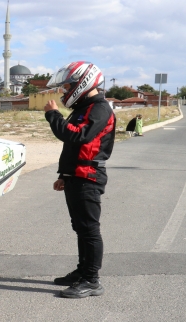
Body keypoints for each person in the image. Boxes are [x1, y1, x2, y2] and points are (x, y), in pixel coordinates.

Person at [43, 61, 115, 298]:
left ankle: (92, 280)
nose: (65, 91)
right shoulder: (84, 107)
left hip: (89, 177)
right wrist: (64, 175)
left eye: (69, 86)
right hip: (76, 175)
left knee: (89, 229)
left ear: (83, 82)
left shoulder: (99, 108)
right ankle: (82, 271)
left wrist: (53, 115)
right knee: (80, 227)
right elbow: (74, 149)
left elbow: (77, 136)